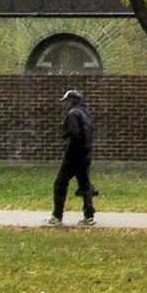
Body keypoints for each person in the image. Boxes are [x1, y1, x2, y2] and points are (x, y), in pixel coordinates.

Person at [48, 89, 99, 226]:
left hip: (73, 156)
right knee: (84, 185)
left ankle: (57, 216)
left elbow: (73, 134)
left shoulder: (72, 114)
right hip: (85, 154)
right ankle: (88, 216)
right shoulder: (85, 113)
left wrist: (67, 150)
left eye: (65, 101)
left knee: (60, 184)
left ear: (71, 101)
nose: (64, 104)